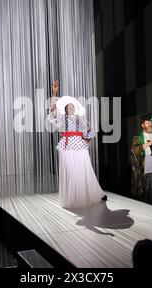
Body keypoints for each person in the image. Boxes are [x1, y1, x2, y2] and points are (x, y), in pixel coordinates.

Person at [49, 80, 106, 209]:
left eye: (72, 106)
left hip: (80, 146)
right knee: (70, 171)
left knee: (83, 170)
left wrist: (87, 139)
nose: (70, 108)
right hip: (67, 145)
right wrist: (54, 92)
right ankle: (72, 197)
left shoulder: (81, 118)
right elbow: (52, 111)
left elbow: (91, 131)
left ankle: (88, 194)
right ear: (65, 109)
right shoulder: (61, 119)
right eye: (68, 107)